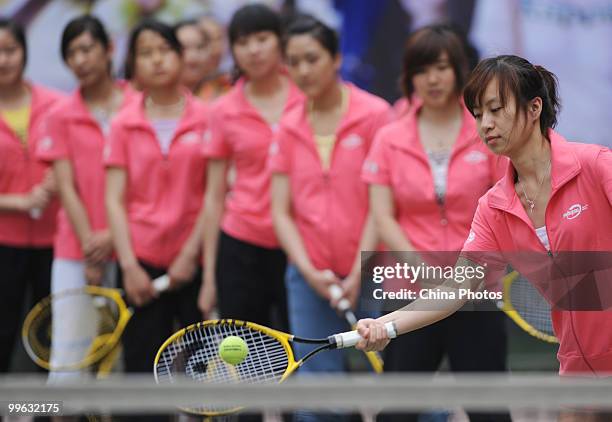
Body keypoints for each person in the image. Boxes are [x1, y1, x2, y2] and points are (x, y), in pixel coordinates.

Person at [356, 55, 612, 421]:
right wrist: (387, 325)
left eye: (495, 109)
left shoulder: (596, 166)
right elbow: (454, 290)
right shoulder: (494, 208)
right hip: (579, 365)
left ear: (534, 107)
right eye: (477, 114)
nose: (485, 125)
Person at [361, 25, 510, 422]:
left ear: (460, 71)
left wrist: (469, 271)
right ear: (409, 75)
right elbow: (382, 216)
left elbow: (504, 203)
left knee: (490, 412)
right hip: (411, 291)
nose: (433, 78)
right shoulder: (390, 137)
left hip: (476, 290)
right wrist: (422, 269)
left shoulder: (486, 131)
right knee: (397, 411)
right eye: (423, 69)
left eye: (442, 67)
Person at [270, 15, 390, 422]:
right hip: (309, 277)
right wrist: (309, 270)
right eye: (294, 61)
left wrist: (360, 267)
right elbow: (281, 212)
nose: (303, 70)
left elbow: (383, 203)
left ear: (336, 58)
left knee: (405, 383)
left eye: (312, 58)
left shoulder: (376, 115)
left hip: (378, 269)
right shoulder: (287, 126)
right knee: (320, 395)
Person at [104, 20, 207, 421]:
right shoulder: (123, 123)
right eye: (146, 53)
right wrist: (129, 266)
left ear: (181, 57)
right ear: (133, 63)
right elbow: (114, 201)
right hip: (140, 263)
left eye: (164, 50)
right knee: (141, 373)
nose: (157, 60)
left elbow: (212, 197)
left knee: (199, 373)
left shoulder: (207, 118)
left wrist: (190, 255)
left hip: (192, 260)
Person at [35, 15, 137, 381]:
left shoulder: (137, 105)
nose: (80, 60)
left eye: (87, 49)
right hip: (74, 251)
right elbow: (65, 185)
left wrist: (115, 236)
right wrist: (91, 246)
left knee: (126, 368)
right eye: (71, 53)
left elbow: (143, 184)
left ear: (109, 49)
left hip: (135, 249)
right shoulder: (60, 114)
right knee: (68, 368)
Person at [199, 4, 302, 332]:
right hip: (241, 243)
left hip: (301, 243)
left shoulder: (308, 96)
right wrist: (209, 277)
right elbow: (214, 197)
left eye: (262, 38)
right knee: (245, 353)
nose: (254, 50)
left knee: (303, 347)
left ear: (281, 41)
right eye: (243, 42)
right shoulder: (222, 110)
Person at [0, 18, 63, 373]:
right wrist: (19, 202)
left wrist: (63, 176)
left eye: (10, 50)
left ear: (25, 52)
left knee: (49, 336)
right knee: (3, 330)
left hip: (54, 241)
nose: (3, 60)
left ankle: (45, 411)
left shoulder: (56, 104)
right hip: (3, 240)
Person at [195, 15, 232, 102]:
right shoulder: (183, 87)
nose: (216, 48)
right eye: (207, 40)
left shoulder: (231, 82)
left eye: (219, 38)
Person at [175, 20, 209, 94]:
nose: (193, 56)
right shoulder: (158, 97)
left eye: (200, 47)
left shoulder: (225, 91)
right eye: (184, 48)